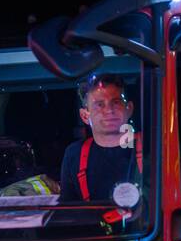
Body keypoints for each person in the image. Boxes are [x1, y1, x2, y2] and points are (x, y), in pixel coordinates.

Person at [58, 73, 142, 204]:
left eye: (116, 102)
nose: (109, 110)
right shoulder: (74, 154)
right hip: (93, 224)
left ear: (129, 109)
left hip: (147, 225)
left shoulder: (154, 148)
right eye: (99, 104)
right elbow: (67, 208)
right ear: (85, 116)